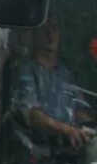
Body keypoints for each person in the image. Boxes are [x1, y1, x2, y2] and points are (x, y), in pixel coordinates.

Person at [12, 17, 94, 149]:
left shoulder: (66, 74)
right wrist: (66, 130)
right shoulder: (26, 70)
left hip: (67, 152)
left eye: (54, 29)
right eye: (45, 29)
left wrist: (91, 126)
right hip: (36, 152)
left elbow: (78, 111)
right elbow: (31, 115)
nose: (50, 34)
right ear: (35, 34)